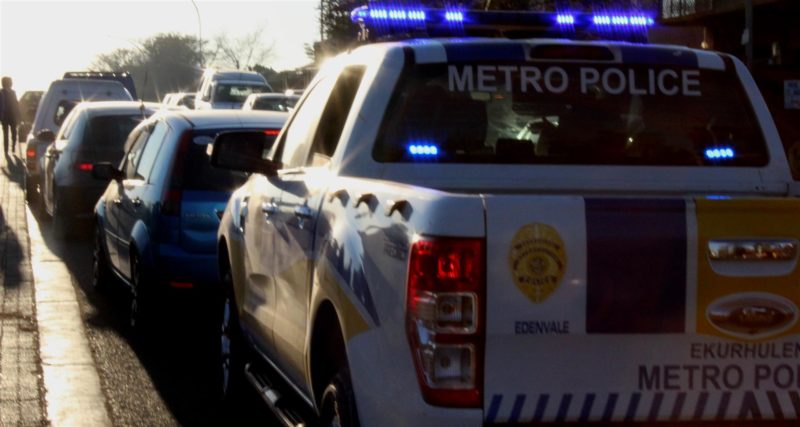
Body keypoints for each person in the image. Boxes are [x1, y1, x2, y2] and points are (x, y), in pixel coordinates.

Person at [2, 76, 21, 155]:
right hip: (5, 116)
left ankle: (13, 146)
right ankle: (6, 150)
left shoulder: (13, 92)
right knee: (5, 133)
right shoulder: (1, 92)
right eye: (10, 82)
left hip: (12, 115)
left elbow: (16, 104)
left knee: (14, 132)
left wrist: (19, 115)